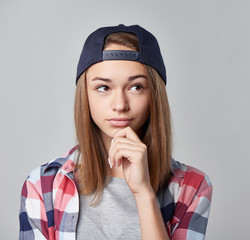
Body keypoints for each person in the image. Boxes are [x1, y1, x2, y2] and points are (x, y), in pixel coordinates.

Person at [19, 24, 212, 240]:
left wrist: (144, 194)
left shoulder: (192, 187)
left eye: (136, 87)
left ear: (154, 95)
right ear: (86, 95)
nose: (120, 105)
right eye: (103, 87)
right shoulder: (42, 186)